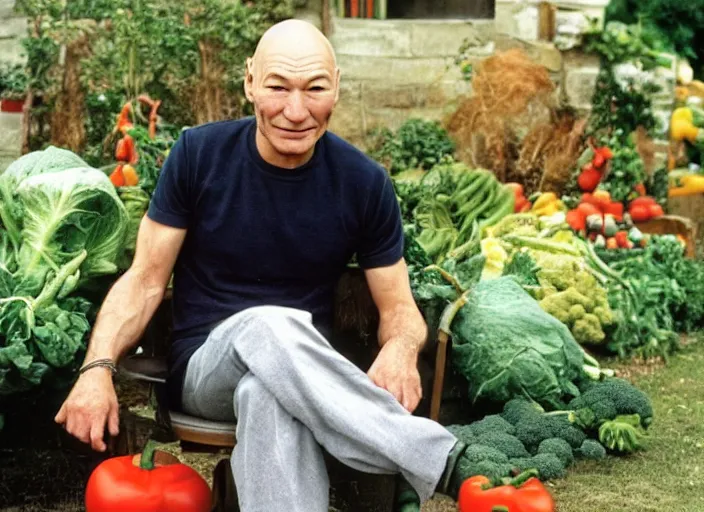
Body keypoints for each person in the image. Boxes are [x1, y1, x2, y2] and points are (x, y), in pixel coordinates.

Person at [55, 18, 476, 512]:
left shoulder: (364, 183)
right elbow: (145, 280)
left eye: (314, 89)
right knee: (269, 323)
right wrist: (96, 368)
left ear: (336, 86)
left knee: (266, 392)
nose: (295, 111)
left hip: (298, 376)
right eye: (278, 87)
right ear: (250, 82)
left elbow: (399, 305)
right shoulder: (198, 155)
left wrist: (403, 348)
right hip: (204, 371)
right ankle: (435, 457)